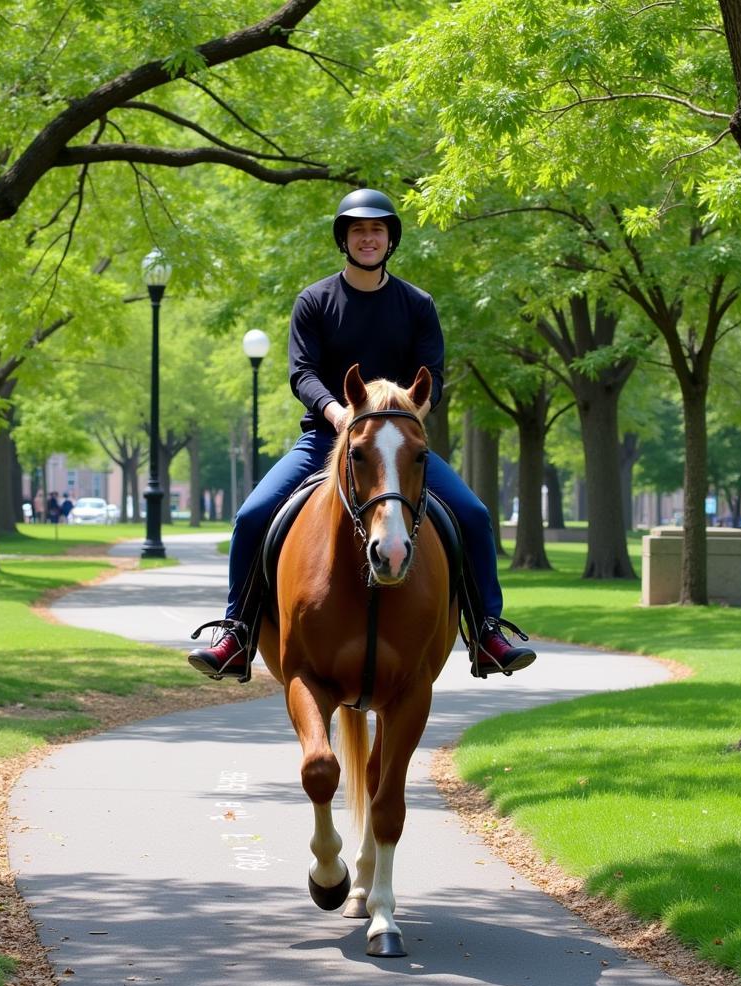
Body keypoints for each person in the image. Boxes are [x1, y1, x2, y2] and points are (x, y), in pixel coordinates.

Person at [188, 188, 535, 680]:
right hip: (326, 441)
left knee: (475, 516)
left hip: (398, 444)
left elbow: (429, 373)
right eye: (358, 230)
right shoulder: (314, 301)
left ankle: (486, 632)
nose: (367, 238)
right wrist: (336, 414)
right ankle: (237, 634)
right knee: (252, 515)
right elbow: (302, 372)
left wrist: (409, 417)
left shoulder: (417, 304)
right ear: (344, 239)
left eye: (376, 230)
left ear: (390, 239)